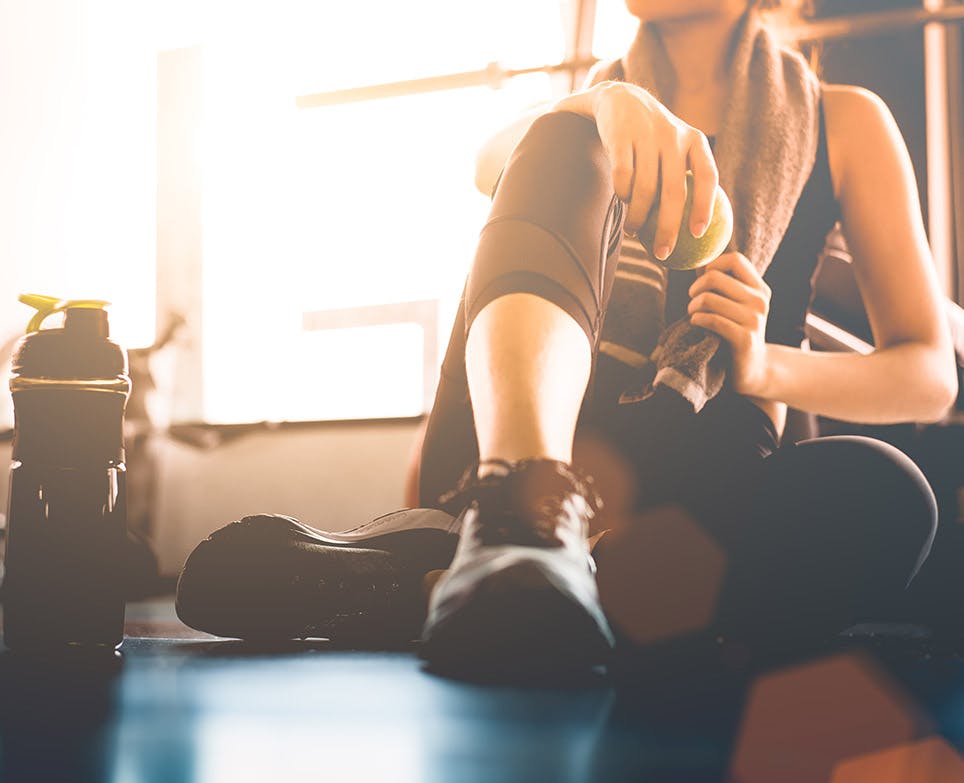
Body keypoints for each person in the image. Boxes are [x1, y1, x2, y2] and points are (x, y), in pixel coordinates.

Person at [175, 0, 956, 673]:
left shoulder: (844, 118)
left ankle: (442, 584)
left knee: (886, 495)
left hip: (696, 481)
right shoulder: (583, 112)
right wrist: (601, 104)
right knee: (560, 133)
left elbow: (928, 371)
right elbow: (486, 161)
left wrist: (763, 367)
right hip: (508, 452)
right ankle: (526, 526)